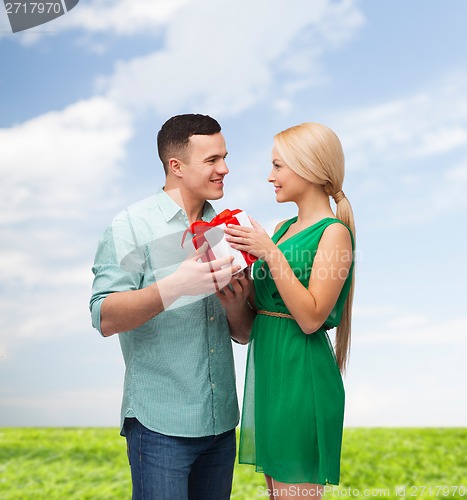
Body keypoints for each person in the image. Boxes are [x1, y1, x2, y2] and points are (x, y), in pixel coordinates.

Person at [89, 114, 251, 500]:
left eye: (224, 157)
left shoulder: (229, 227)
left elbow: (243, 333)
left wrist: (238, 304)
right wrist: (176, 286)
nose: (224, 169)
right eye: (212, 160)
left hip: (221, 423)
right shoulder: (129, 226)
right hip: (160, 427)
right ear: (175, 166)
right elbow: (104, 316)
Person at [221, 122, 356, 499]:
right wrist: (238, 298)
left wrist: (269, 253)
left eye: (278, 166)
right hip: (269, 376)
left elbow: (312, 318)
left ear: (309, 168)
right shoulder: (280, 230)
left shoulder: (334, 234)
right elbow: (256, 323)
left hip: (301, 378)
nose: (270, 176)